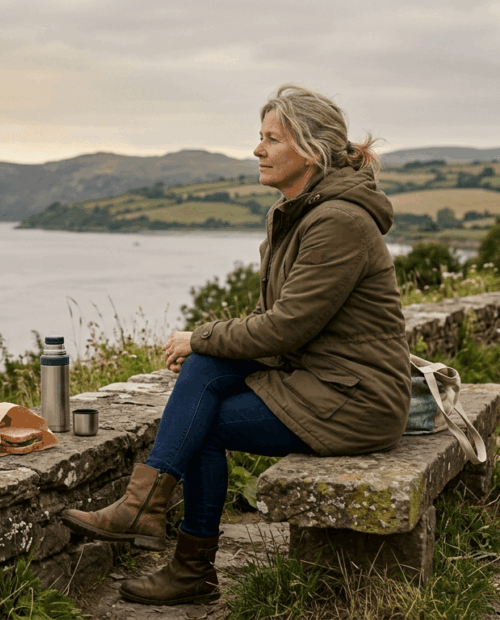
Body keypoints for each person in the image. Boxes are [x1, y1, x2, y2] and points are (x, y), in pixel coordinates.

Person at [61, 84, 411, 606]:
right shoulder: (292, 213)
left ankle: (184, 560)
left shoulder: (338, 222)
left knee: (196, 423)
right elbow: (280, 323)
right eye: (260, 136)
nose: (257, 150)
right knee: (203, 373)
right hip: (320, 379)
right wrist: (207, 345)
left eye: (272, 139)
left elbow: (285, 328)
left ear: (311, 150)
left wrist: (199, 334)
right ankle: (158, 526)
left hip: (357, 400)